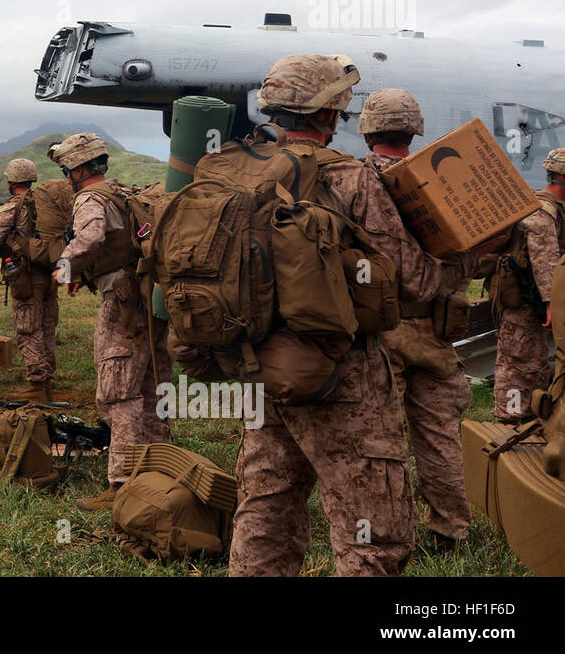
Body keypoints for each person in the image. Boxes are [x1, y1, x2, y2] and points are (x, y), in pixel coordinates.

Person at [227, 55, 480, 576]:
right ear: (330, 115)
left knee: (265, 510)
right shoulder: (351, 179)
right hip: (344, 376)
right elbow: (415, 279)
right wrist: (462, 260)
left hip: (260, 367)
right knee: (373, 533)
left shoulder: (235, 173)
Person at [359, 88, 471, 551]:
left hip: (379, 330)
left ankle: (388, 536)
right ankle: (452, 533)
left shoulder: (353, 181)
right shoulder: (443, 177)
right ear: (414, 130)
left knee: (381, 439)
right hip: (437, 326)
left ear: (367, 131)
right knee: (440, 434)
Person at [49, 133, 170, 510]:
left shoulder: (91, 198)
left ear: (81, 168)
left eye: (68, 169)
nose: (67, 177)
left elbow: (91, 234)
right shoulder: (125, 193)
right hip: (149, 301)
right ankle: (160, 474)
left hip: (121, 306)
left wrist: (64, 269)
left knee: (119, 394)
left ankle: (123, 485)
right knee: (151, 390)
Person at [488, 148, 565, 422]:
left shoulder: (549, 209)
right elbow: (546, 263)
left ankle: (531, 416)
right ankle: (510, 419)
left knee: (532, 364)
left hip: (529, 302)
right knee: (517, 364)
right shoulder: (542, 212)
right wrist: (551, 307)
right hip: (524, 304)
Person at [0, 158, 59, 401]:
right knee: (46, 327)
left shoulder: (15, 205)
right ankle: (47, 380)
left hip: (25, 275)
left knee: (27, 328)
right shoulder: (44, 204)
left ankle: (37, 385)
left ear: (13, 180)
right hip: (49, 272)